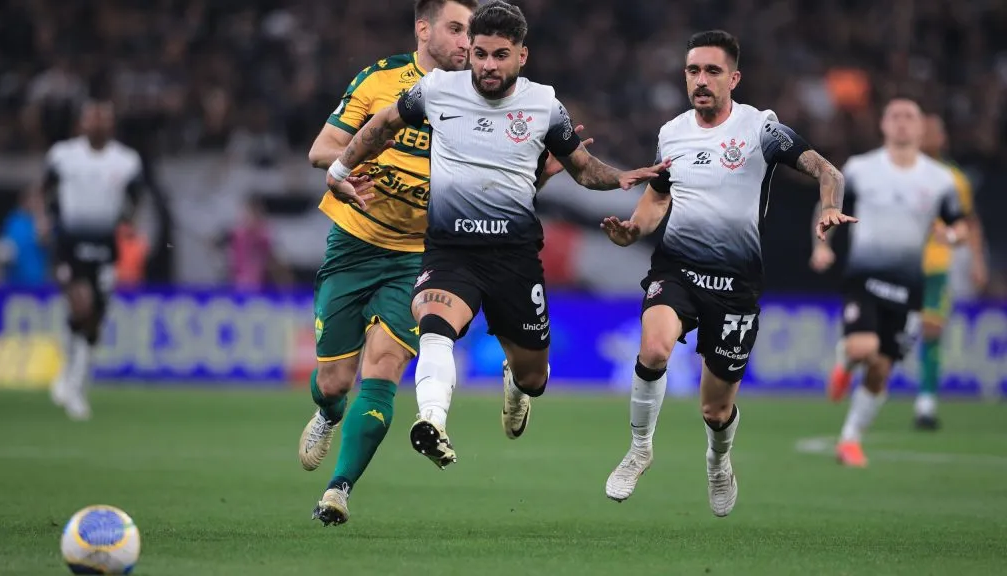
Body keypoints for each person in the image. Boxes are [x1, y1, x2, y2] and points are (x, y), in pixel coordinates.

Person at [325, 0, 664, 473]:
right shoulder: (438, 89)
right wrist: (339, 169)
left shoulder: (544, 104)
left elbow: (584, 170)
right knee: (434, 328)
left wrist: (624, 177)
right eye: (480, 53)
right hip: (450, 252)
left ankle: (518, 385)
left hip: (514, 259)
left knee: (534, 375)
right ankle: (432, 420)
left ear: (521, 56)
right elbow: (381, 125)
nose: (487, 65)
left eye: (499, 55)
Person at [302, 0, 590, 526]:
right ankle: (327, 411)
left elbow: (502, 184)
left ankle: (338, 491)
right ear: (423, 29)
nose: (466, 43)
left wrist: (541, 174)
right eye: (456, 30)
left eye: (472, 34)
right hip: (356, 241)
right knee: (334, 382)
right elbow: (324, 149)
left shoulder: (486, 94)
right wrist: (359, 167)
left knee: (386, 363)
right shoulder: (381, 82)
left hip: (425, 252)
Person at [598, 30, 854, 517]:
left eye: (712, 71)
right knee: (653, 348)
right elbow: (658, 197)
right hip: (677, 268)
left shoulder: (761, 129)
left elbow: (828, 172)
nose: (701, 80)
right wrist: (634, 229)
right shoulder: (672, 133)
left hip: (735, 284)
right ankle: (639, 449)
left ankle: (718, 461)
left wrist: (828, 208)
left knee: (714, 410)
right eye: (693, 70)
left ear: (733, 78)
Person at [810, 98, 968, 466]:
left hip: (909, 285)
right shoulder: (862, 168)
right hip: (864, 277)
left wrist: (954, 237)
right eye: (894, 116)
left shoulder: (940, 179)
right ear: (883, 125)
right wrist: (821, 245)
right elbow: (827, 204)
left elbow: (960, 222)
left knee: (881, 370)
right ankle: (846, 359)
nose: (901, 123)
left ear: (920, 128)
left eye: (909, 117)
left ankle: (849, 440)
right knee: (864, 349)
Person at [45, 99, 145, 421]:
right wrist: (44, 220)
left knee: (94, 319)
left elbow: (134, 199)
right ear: (82, 123)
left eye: (104, 118)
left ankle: (71, 376)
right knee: (81, 304)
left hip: (104, 243)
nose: (97, 124)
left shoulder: (126, 160)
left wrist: (130, 220)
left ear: (111, 125)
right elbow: (46, 191)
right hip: (70, 243)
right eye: (92, 118)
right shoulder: (63, 156)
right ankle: (74, 386)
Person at [912, 113, 987, 430]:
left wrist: (978, 260)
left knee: (931, 329)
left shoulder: (954, 177)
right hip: (899, 263)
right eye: (925, 129)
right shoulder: (897, 171)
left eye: (935, 130)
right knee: (886, 336)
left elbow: (969, 222)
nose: (930, 135)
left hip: (939, 263)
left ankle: (926, 402)